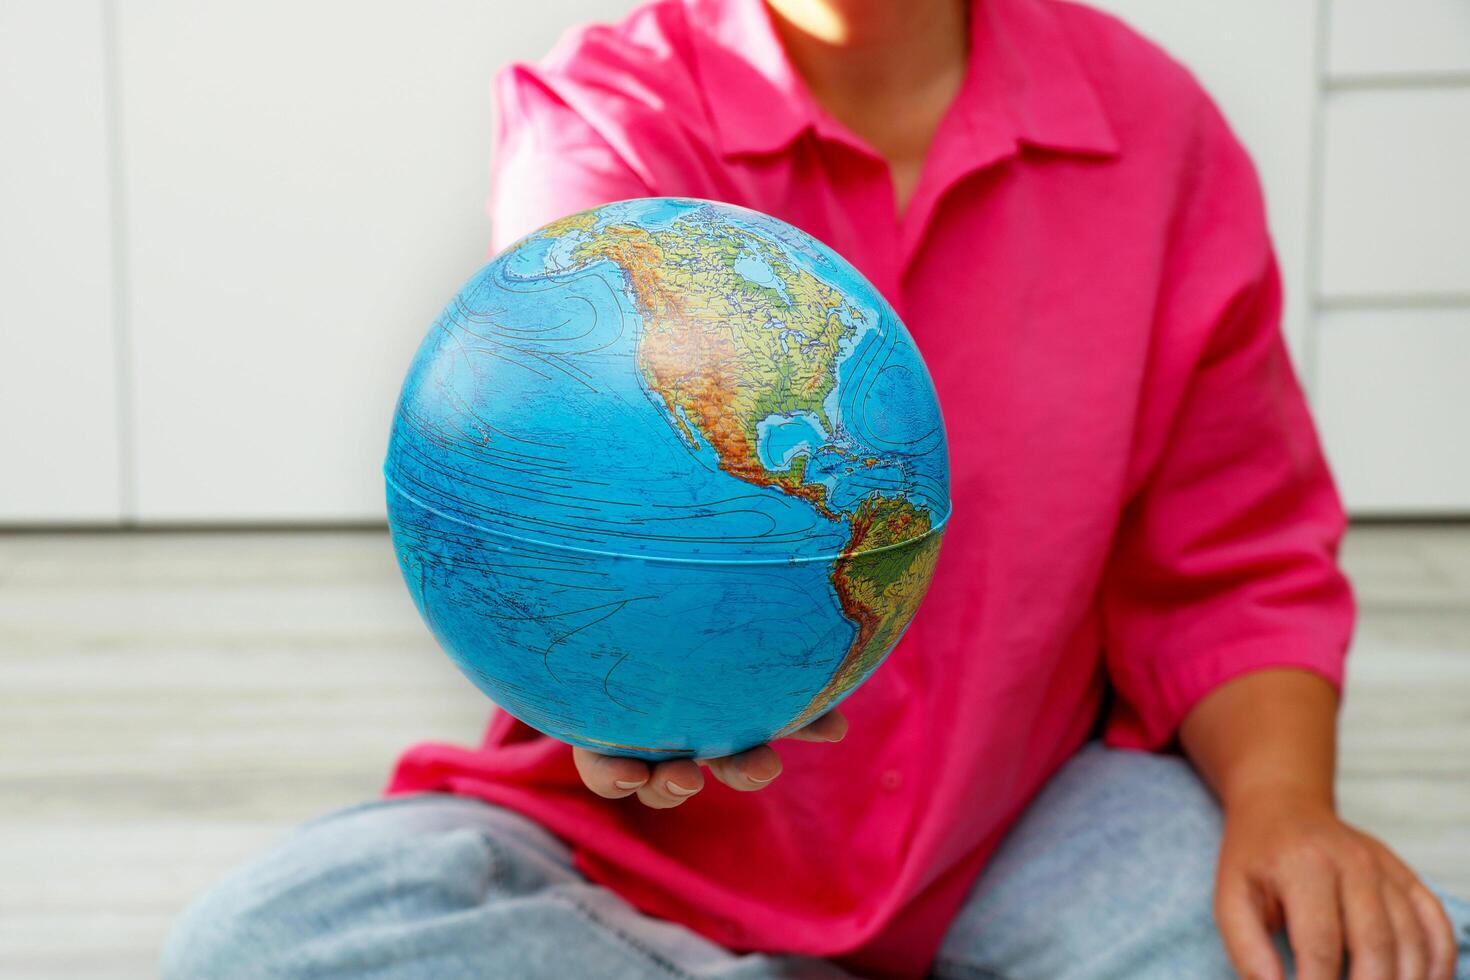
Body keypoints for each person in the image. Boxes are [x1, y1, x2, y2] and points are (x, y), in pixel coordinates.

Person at [161, 0, 1470, 977]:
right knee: (260, 950)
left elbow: (1232, 560)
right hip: (644, 870)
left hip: (1023, 822)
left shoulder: (1152, 132)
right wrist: (622, 698)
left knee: (1393, 952)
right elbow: (578, 500)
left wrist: (1287, 809)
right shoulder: (610, 119)